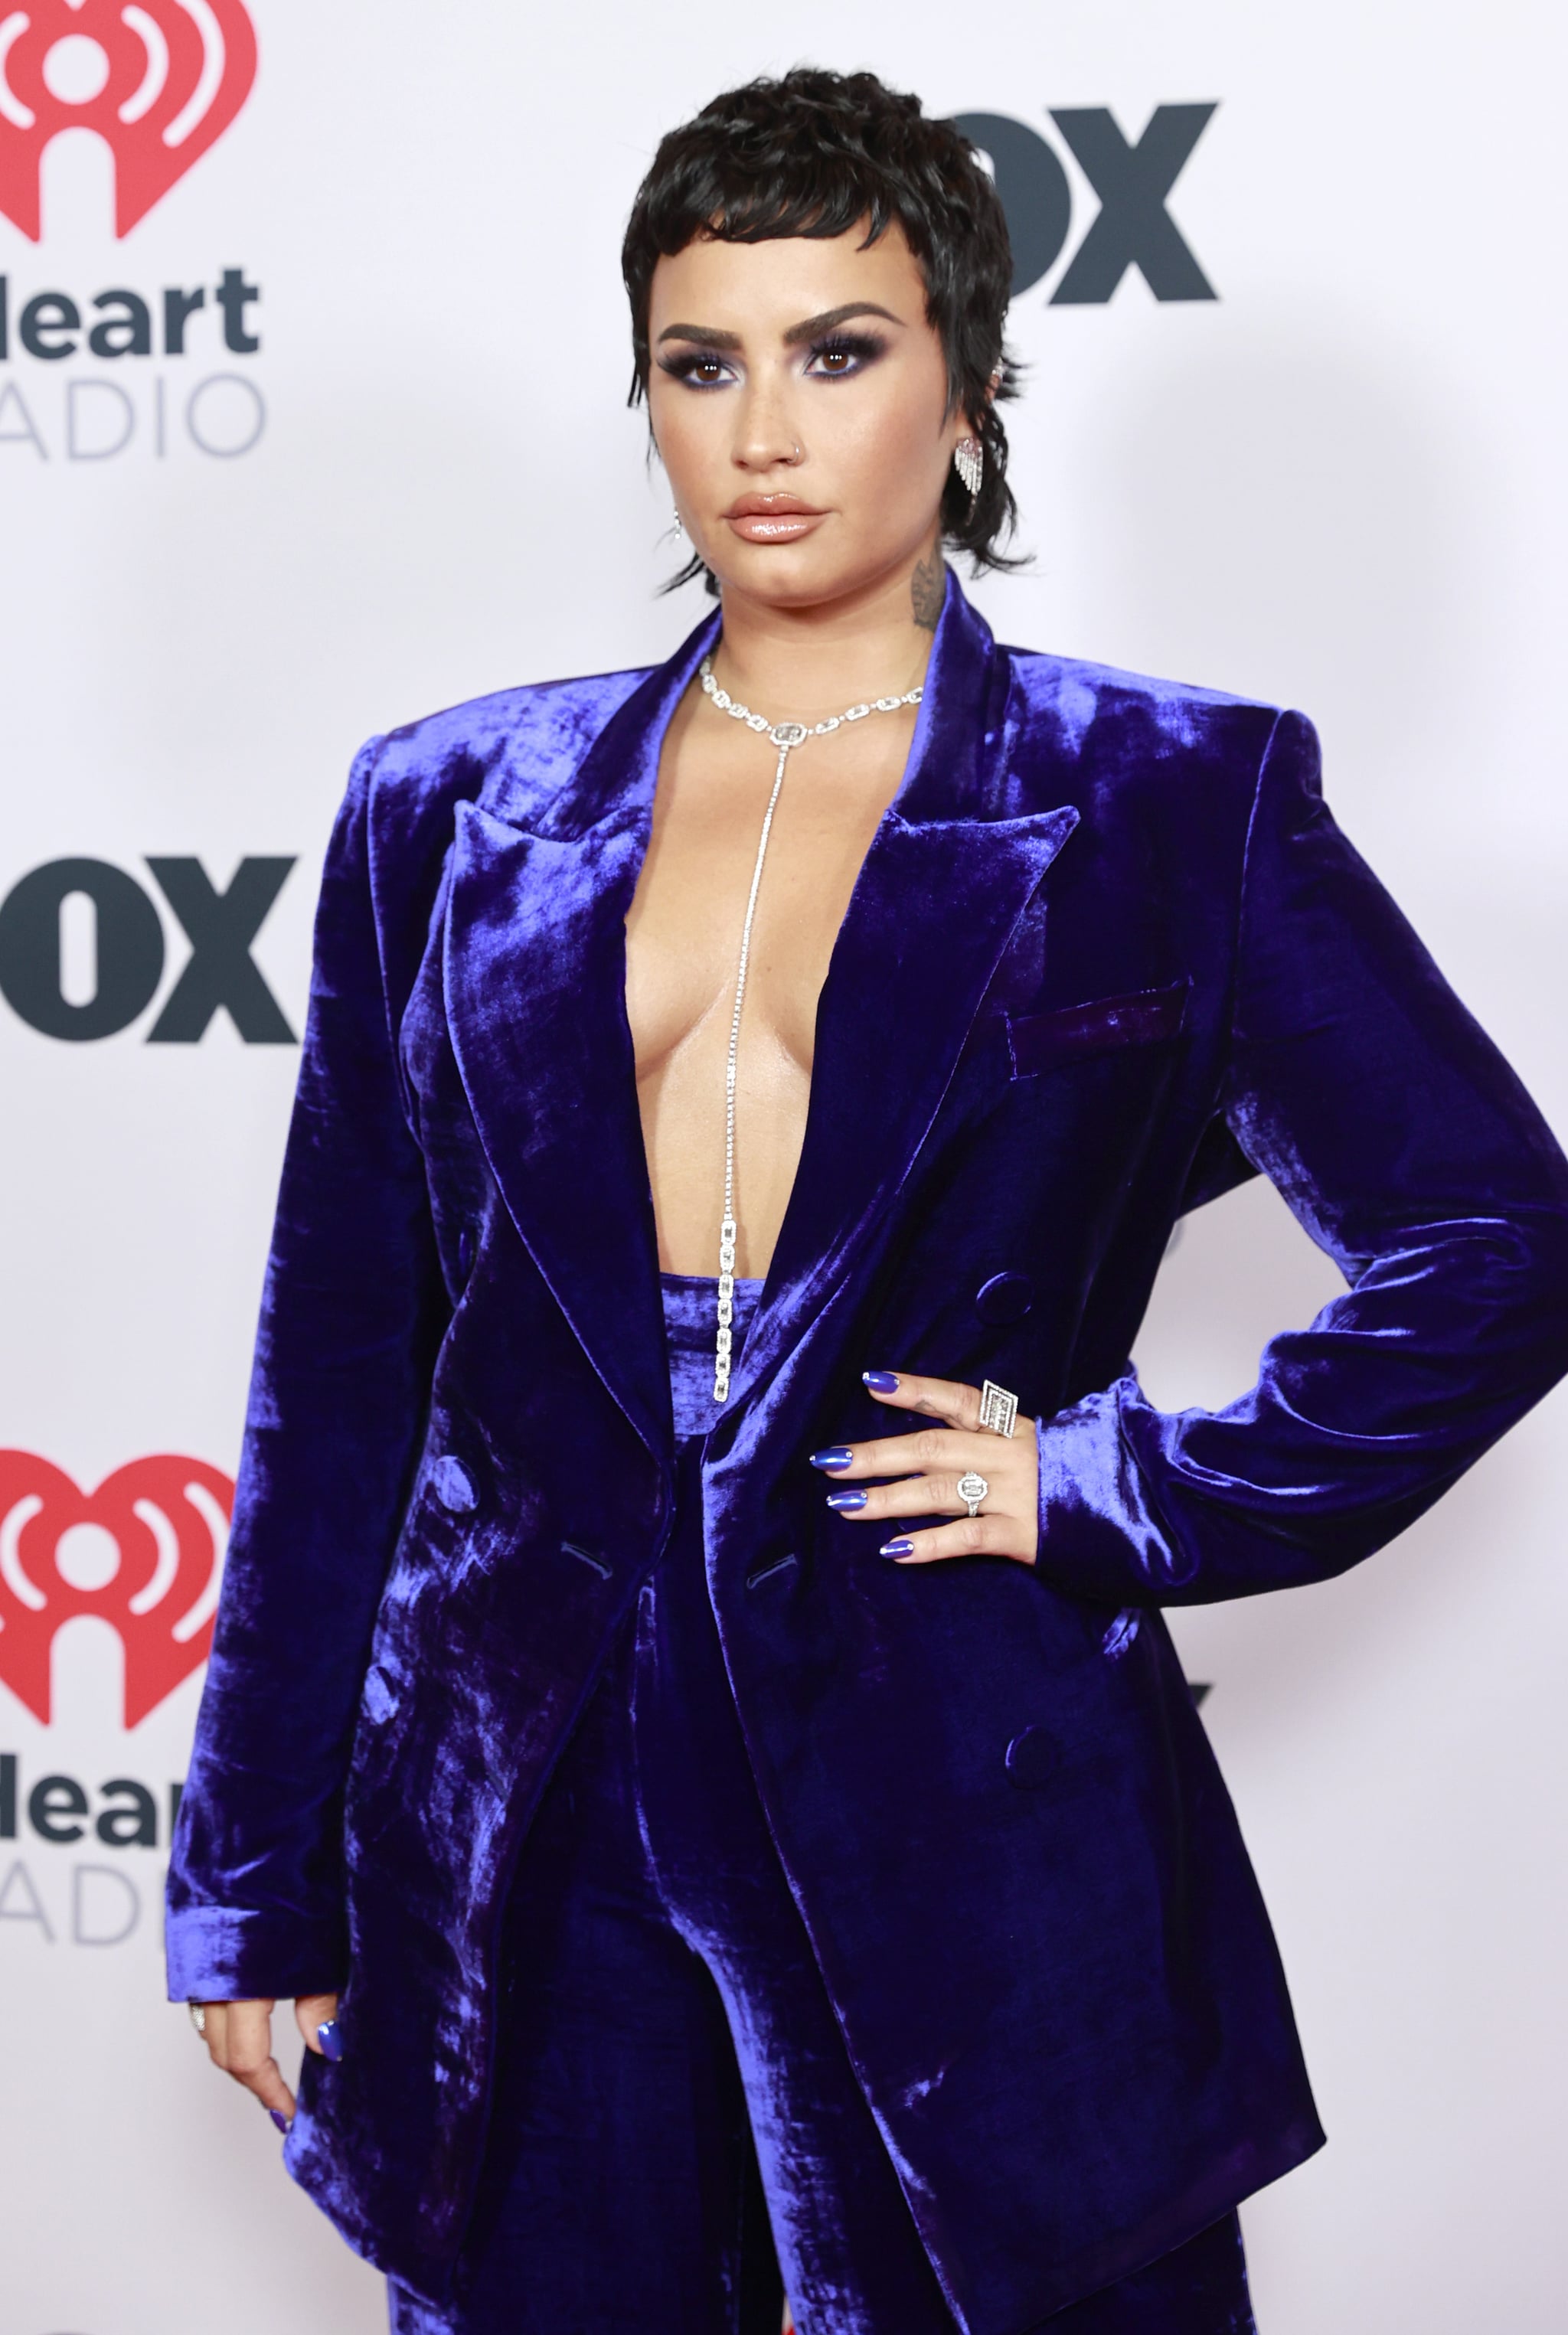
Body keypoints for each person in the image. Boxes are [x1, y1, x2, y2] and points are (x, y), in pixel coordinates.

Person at [165, 65, 1568, 2335]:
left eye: (840, 351)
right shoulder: (443, 808)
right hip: (518, 1785)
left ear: (972, 385)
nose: (764, 432)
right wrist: (251, 1878)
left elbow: (1497, 1237)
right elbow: (337, 1363)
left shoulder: (1166, 801)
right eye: (701, 363)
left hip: (961, 1769)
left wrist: (1117, 1480)